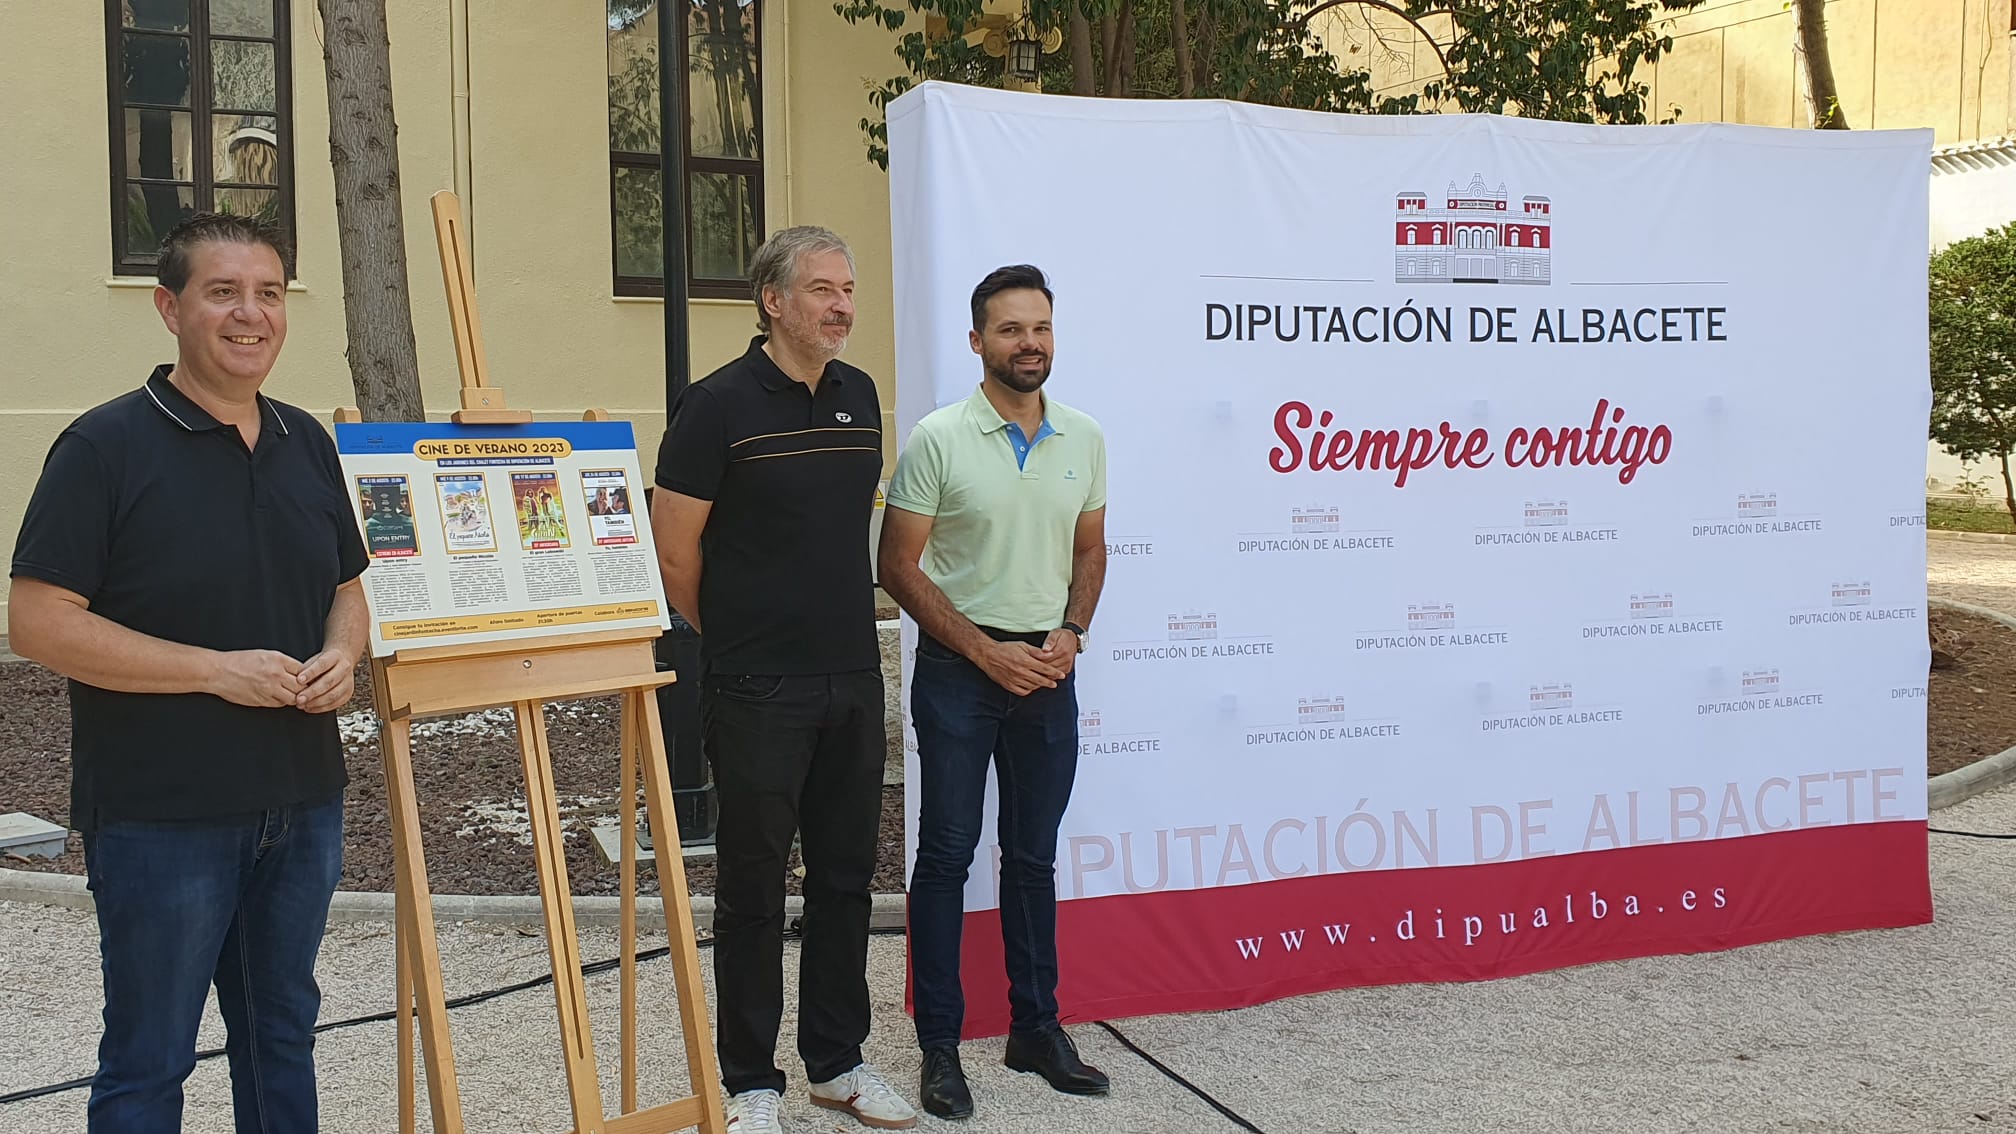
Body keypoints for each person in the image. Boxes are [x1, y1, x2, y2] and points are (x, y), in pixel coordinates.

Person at [9, 212, 369, 1132]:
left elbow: (349, 588)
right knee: (149, 1059)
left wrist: (342, 654)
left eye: (268, 293)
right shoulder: (103, 449)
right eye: (223, 292)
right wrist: (213, 672)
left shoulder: (306, 441)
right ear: (170, 309)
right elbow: (39, 622)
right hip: (160, 816)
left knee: (282, 1037)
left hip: (302, 805)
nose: (251, 314)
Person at [651, 226, 917, 1133]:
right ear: (773, 300)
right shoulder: (714, 406)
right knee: (754, 891)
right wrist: (738, 640)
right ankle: (750, 1081)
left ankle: (836, 1063)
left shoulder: (860, 395)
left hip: (852, 677)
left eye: (848, 290)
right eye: (822, 290)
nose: (842, 306)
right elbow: (675, 555)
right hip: (756, 687)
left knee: (845, 880)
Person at [878, 264, 1110, 1121]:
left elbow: (1090, 548)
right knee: (946, 855)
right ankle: (940, 1046)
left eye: (1040, 327)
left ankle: (1035, 1030)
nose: (1029, 343)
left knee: (1033, 857)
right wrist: (984, 652)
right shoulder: (939, 437)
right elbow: (896, 565)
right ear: (978, 341)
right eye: (1011, 330)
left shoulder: (1084, 436)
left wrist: (1072, 631)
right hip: (959, 674)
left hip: (1047, 672)